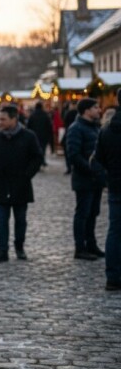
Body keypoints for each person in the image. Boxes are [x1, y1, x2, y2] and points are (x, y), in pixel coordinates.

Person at [0, 105, 43, 262]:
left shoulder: (28, 136)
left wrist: (27, 175)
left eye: (3, 119)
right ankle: (2, 250)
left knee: (20, 220)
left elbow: (37, 157)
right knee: (2, 220)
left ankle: (19, 247)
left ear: (14, 119)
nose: (0, 122)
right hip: (0, 185)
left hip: (21, 186)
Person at [66, 98, 106, 260]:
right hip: (84, 179)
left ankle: (91, 244)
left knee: (93, 213)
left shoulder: (95, 127)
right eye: (95, 107)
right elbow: (74, 155)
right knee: (83, 213)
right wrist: (91, 169)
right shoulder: (76, 128)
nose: (99, 110)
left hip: (96, 179)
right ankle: (80, 247)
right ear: (86, 110)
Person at [94, 90, 121, 291]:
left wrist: (107, 179)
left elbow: (98, 160)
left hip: (116, 186)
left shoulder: (107, 130)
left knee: (115, 232)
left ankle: (113, 276)